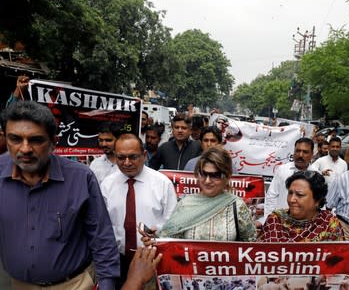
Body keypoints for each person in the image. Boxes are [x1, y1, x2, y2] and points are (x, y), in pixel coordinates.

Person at [0, 101, 119, 289]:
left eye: (36, 140)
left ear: (54, 142)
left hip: (74, 285)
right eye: (15, 139)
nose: (24, 149)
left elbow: (101, 236)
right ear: (5, 138)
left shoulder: (81, 178)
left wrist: (108, 282)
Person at [101, 133, 177, 286]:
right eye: (121, 158)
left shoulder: (162, 183)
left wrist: (158, 232)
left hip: (153, 259)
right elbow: (103, 225)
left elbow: (174, 223)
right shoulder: (107, 185)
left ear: (144, 155)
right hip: (117, 261)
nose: (127, 163)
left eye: (133, 157)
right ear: (115, 157)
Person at [259, 171, 349, 267]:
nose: (292, 199)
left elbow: (338, 261)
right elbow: (262, 260)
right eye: (290, 193)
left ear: (317, 200)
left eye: (299, 195)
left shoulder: (329, 223)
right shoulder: (275, 220)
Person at [156, 146, 257, 241]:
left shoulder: (237, 206)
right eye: (203, 174)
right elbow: (169, 241)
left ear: (226, 176)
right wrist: (154, 238)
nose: (207, 181)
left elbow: (250, 244)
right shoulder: (186, 204)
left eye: (215, 175)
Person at [263, 138, 315, 225]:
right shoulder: (282, 170)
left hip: (306, 226)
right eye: (298, 151)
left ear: (312, 154)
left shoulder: (316, 175)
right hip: (281, 222)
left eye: (305, 152)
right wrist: (268, 221)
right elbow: (271, 196)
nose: (300, 155)